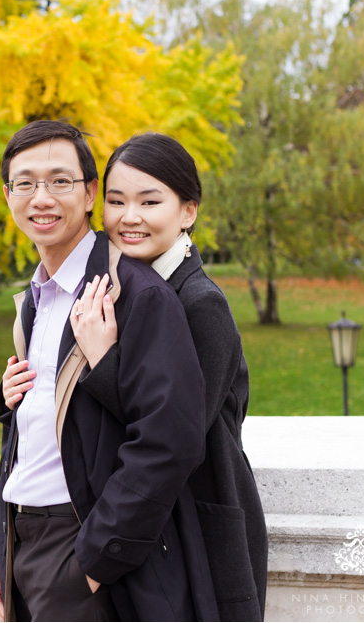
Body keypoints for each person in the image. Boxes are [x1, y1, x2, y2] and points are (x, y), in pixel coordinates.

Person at [0, 120, 219, 622]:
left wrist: (91, 563)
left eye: (60, 181)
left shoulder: (137, 295)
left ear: (90, 193)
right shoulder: (34, 300)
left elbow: (168, 441)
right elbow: (25, 438)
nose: (41, 197)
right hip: (21, 544)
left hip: (82, 550)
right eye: (25, 183)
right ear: (8, 195)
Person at [74, 132, 268, 621]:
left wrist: (104, 361)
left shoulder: (201, 304)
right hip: (143, 522)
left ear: (188, 211)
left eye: (149, 200)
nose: (129, 217)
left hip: (203, 521)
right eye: (116, 201)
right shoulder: (114, 292)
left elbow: (175, 429)